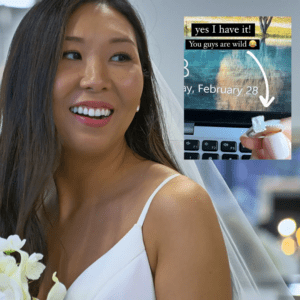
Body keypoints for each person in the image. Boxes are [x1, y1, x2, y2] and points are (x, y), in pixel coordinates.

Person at [0, 0, 294, 299]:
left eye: (119, 56)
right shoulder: (22, 211)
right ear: (28, 79)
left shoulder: (175, 208)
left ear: (143, 86)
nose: (96, 80)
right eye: (71, 54)